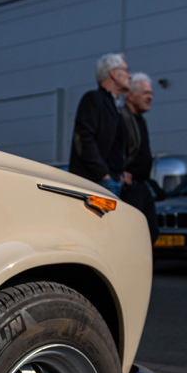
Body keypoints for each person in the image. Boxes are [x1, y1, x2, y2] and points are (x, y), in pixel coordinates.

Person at [69, 53, 130, 196]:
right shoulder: (93, 99)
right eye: (126, 70)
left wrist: (120, 173)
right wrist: (103, 175)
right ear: (114, 73)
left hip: (112, 180)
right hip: (98, 182)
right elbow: (83, 139)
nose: (130, 76)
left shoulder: (115, 105)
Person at [119, 72, 157, 241]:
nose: (150, 98)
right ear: (131, 95)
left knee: (151, 233)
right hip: (129, 187)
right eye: (146, 93)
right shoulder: (121, 118)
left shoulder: (140, 120)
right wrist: (119, 172)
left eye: (151, 93)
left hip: (141, 184)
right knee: (134, 235)